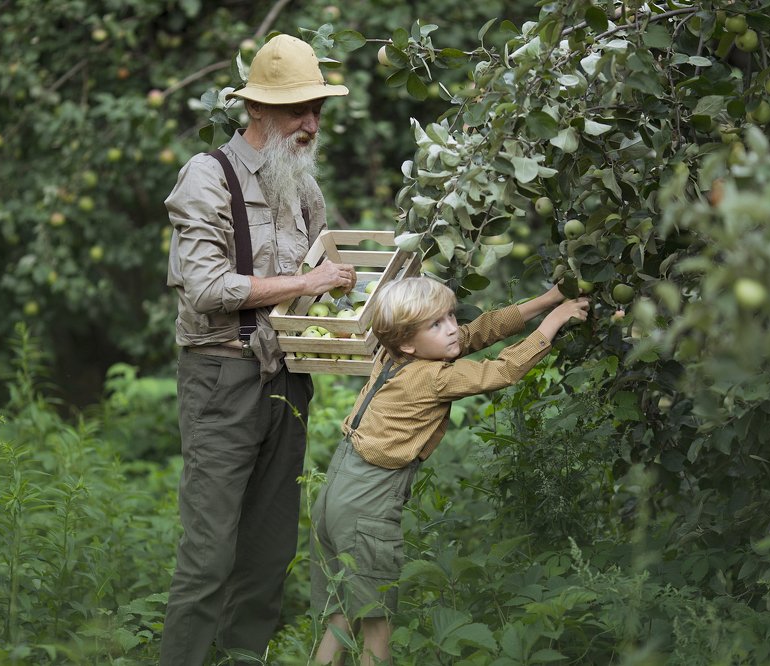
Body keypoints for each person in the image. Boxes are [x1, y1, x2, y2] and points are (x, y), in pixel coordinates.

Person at [160, 34, 357, 666]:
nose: (311, 122)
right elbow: (206, 287)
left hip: (289, 380)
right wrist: (308, 282)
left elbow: (316, 284)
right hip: (221, 377)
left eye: (317, 109)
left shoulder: (304, 188)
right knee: (209, 555)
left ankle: (242, 659)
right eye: (299, 108)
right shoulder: (206, 175)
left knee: (270, 553)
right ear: (258, 111)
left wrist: (353, 304)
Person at [310, 276, 590, 665]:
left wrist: (547, 298)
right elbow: (501, 372)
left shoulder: (394, 355)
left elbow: (479, 331)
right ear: (409, 341)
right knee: (378, 622)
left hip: (336, 493)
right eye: (436, 324)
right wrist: (553, 322)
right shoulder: (431, 377)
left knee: (343, 613)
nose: (452, 329)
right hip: (366, 509)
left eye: (449, 317)